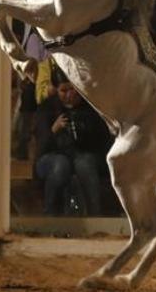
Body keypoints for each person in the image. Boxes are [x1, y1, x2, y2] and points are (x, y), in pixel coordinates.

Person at [34, 70, 111, 216]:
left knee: (85, 163)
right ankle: (51, 216)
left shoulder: (90, 107)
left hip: (84, 154)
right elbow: (41, 145)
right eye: (64, 91)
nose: (69, 95)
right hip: (52, 156)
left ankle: (96, 216)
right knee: (60, 165)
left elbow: (102, 142)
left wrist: (85, 129)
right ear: (56, 90)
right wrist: (54, 130)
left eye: (72, 89)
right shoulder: (47, 108)